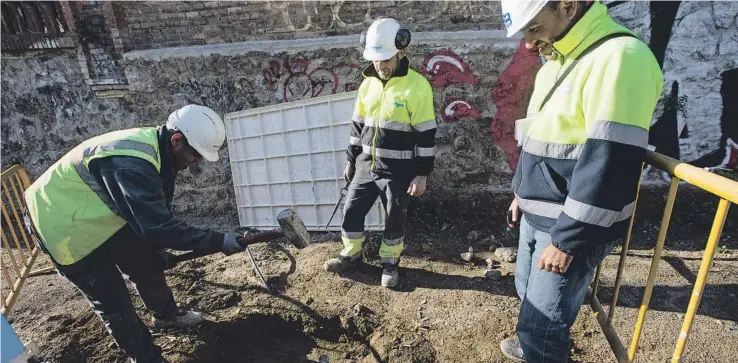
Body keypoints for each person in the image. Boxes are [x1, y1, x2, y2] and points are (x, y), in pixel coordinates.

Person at [498, 1, 663, 362]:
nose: (528, 44)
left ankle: (537, 347)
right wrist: (520, 193)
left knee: (543, 327)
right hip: (538, 213)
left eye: (534, 28)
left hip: (566, 226)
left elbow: (611, 165)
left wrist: (567, 241)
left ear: (569, 6)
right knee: (528, 296)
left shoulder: (620, 58)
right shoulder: (558, 61)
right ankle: (531, 345)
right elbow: (540, 138)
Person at [23, 105, 251, 363]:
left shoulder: (157, 151)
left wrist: (155, 250)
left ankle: (166, 315)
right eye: (195, 154)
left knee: (146, 264)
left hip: (99, 213)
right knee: (114, 301)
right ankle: (146, 358)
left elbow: (155, 213)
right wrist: (218, 240)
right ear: (177, 140)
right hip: (61, 223)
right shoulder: (131, 164)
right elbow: (158, 227)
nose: (196, 161)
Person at [323, 17, 437, 288]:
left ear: (401, 50)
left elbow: (426, 134)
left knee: (395, 219)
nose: (380, 66)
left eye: (385, 60)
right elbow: (357, 126)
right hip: (365, 166)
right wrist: (350, 161)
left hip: (399, 172)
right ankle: (351, 255)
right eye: (376, 60)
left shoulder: (417, 86)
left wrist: (422, 174)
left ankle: (389, 263)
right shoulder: (367, 84)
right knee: (351, 211)